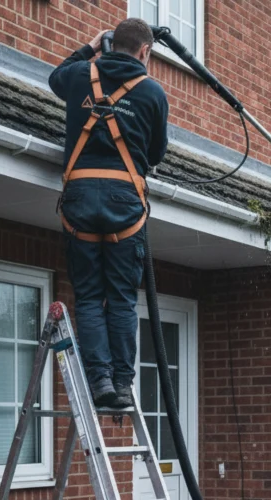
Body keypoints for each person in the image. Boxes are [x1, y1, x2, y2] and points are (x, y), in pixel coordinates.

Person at [48, 19, 169, 408]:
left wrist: (89, 47)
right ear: (145, 51)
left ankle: (99, 379)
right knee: (120, 298)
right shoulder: (152, 92)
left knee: (88, 295)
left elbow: (55, 78)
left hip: (80, 198)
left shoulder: (81, 75)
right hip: (125, 202)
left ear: (110, 44)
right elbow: (155, 154)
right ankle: (121, 384)